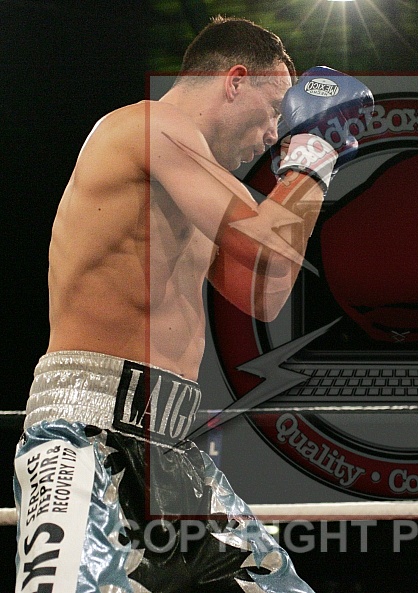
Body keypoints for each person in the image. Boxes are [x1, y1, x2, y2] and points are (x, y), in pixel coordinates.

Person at [13, 16, 373, 593]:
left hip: (173, 451)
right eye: (275, 109)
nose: (275, 134)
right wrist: (310, 153)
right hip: (86, 428)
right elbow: (268, 245)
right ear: (236, 80)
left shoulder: (199, 177)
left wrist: (315, 164)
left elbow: (266, 290)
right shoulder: (148, 127)